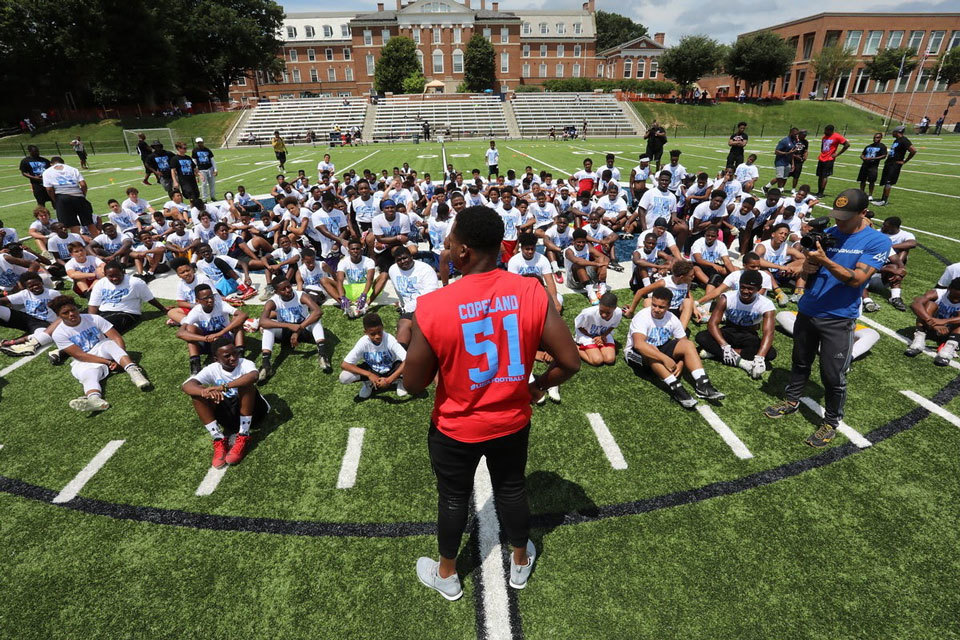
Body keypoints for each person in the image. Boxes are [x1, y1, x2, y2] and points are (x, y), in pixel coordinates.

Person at [403, 205, 580, 600]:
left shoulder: (433, 306)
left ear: (463, 251)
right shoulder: (531, 290)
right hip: (511, 421)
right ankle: (519, 560)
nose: (445, 245)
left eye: (450, 241)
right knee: (512, 489)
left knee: (452, 498)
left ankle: (447, 573)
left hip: (455, 425)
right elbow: (570, 362)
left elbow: (414, 383)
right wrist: (536, 387)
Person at [763, 189, 891, 448]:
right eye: (837, 216)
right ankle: (792, 399)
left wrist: (823, 260)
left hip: (838, 318)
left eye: (845, 217)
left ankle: (831, 422)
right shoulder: (830, 234)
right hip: (808, 310)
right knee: (800, 361)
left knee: (833, 375)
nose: (839, 222)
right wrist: (809, 266)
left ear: (863, 214)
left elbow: (857, 278)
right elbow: (808, 269)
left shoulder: (876, 241)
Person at [623, 287, 724, 409]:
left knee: (689, 345)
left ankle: (703, 385)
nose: (656, 309)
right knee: (651, 351)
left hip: (660, 348)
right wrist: (665, 358)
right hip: (636, 354)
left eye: (661, 307)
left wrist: (680, 363)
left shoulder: (671, 318)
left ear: (669, 306)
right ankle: (676, 388)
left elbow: (683, 342)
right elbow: (639, 345)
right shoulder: (642, 316)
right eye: (654, 305)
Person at [49, 294, 150, 413]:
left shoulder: (94, 318)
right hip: (84, 360)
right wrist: (108, 362)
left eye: (73, 309)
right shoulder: (58, 333)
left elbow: (117, 338)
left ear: (77, 308)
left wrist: (119, 361)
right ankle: (95, 400)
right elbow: (79, 355)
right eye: (66, 313)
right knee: (89, 375)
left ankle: (134, 372)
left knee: (109, 344)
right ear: (58, 315)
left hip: (102, 349)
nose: (71, 314)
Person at [181, 337, 269, 469]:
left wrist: (223, 387)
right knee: (197, 396)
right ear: (216, 359)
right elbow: (187, 386)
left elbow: (253, 376)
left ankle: (243, 435)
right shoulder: (212, 368)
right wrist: (205, 392)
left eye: (235, 353)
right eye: (227, 356)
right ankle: (218, 438)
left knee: (245, 384)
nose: (233, 358)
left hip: (255, 412)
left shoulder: (245, 363)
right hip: (229, 415)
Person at [696, 270, 777, 379]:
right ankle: (742, 362)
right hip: (729, 331)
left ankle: (715, 353)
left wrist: (760, 357)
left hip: (749, 335)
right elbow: (712, 324)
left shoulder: (766, 304)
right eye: (743, 287)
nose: (745, 291)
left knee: (770, 353)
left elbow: (768, 332)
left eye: (750, 289)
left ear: (758, 288)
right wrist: (724, 345)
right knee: (701, 337)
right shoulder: (727, 298)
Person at [258, 277, 329, 381]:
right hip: (286, 331)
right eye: (283, 289)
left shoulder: (300, 295)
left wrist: (298, 329)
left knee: (316, 320)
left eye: (289, 286)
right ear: (276, 292)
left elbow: (318, 311)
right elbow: (262, 321)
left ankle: (323, 355)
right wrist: (288, 325)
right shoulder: (272, 301)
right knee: (268, 328)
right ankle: (266, 364)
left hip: (304, 330)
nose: (288, 290)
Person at [178, 284, 249, 375]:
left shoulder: (220, 304)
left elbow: (243, 315)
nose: (210, 300)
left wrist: (219, 333)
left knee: (237, 320)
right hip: (208, 341)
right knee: (190, 329)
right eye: (206, 298)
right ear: (197, 301)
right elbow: (180, 333)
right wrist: (205, 339)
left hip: (225, 339)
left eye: (212, 296)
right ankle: (195, 365)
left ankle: (240, 355)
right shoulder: (196, 311)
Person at [339, 312, 408, 400]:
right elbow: (344, 364)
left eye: (379, 332)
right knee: (344, 377)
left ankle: (399, 380)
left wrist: (389, 380)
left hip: (392, 368)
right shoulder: (363, 342)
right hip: (373, 369)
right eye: (372, 334)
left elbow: (407, 360)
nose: (377, 336)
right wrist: (369, 375)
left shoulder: (389, 339)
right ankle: (369, 383)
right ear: (365, 332)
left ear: (382, 327)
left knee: (412, 366)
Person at [87, 261, 170, 333]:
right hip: (104, 311)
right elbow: (93, 304)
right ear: (105, 275)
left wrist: (163, 309)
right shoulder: (101, 283)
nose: (115, 278)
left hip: (126, 313)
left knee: (103, 326)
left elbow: (149, 298)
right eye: (111, 276)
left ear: (123, 272)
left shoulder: (135, 283)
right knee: (84, 321)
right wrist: (91, 320)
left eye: (117, 275)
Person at [387, 246, 440, 347]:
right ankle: (400, 357)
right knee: (403, 325)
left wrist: (408, 307)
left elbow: (430, 295)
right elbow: (398, 291)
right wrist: (403, 305)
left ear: (411, 256)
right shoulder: (393, 270)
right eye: (399, 260)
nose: (403, 261)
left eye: (405, 258)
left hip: (427, 307)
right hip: (409, 311)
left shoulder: (425, 269)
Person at [778, 311, 880, 361]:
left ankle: (846, 357)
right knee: (782, 315)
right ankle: (820, 345)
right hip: (815, 318)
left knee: (873, 334)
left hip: (841, 323)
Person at [0, 272, 57, 356]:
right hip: (28, 319)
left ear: (42, 282)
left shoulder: (52, 294)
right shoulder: (25, 293)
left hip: (45, 324)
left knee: (43, 335)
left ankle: (14, 344)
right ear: (26, 288)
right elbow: (3, 300)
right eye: (31, 286)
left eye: (37, 284)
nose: (35, 287)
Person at [905, 278, 960, 366]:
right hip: (931, 327)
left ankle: (948, 349)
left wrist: (943, 321)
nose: (956, 300)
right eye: (954, 296)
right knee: (928, 305)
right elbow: (915, 304)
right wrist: (932, 322)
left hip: (951, 331)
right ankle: (919, 340)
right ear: (949, 288)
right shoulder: (938, 293)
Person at [42, 157, 94, 235]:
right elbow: (83, 185)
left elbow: (49, 189)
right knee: (89, 223)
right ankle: (98, 241)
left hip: (62, 197)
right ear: (63, 162)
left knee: (72, 225)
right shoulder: (72, 169)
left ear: (51, 164)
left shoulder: (47, 172)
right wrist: (82, 195)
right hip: (78, 195)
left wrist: (55, 199)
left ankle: (78, 244)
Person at [872, 125, 917, 207]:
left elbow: (913, 150)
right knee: (886, 181)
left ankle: (884, 201)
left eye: (893, 132)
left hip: (894, 164)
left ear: (897, 132)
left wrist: (904, 161)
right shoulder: (897, 140)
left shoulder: (904, 140)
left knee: (888, 182)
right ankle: (883, 199)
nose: (892, 133)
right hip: (890, 163)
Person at [574, 292, 622, 366]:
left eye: (608, 313)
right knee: (597, 361)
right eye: (601, 311)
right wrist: (593, 337)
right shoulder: (588, 313)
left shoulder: (618, 313)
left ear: (614, 308)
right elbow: (579, 326)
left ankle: (596, 347)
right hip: (586, 334)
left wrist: (603, 336)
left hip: (603, 334)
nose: (604, 315)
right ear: (599, 305)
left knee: (610, 359)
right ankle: (574, 346)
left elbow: (613, 326)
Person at [814, 125, 849, 198]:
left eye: (826, 130)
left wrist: (837, 154)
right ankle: (818, 191)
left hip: (829, 159)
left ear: (831, 130)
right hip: (821, 158)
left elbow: (847, 144)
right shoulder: (824, 137)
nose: (824, 132)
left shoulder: (837, 136)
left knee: (824, 176)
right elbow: (823, 146)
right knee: (820, 176)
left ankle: (821, 192)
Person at [763, 127, 798, 192]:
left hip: (787, 162)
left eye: (797, 134)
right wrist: (786, 153)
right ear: (791, 133)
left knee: (784, 178)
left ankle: (766, 187)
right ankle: (779, 190)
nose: (796, 136)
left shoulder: (794, 141)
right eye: (795, 134)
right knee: (779, 177)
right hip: (780, 162)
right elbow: (776, 151)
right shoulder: (784, 141)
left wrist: (792, 164)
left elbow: (792, 153)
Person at [856, 133, 886, 199]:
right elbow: (862, 154)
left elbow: (884, 156)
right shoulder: (868, 146)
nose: (875, 139)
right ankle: (862, 193)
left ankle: (870, 195)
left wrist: (872, 158)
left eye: (878, 137)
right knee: (862, 180)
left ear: (881, 138)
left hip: (873, 166)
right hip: (865, 165)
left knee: (872, 181)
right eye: (875, 137)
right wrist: (862, 157)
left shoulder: (882, 146)